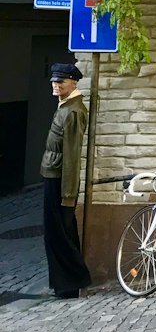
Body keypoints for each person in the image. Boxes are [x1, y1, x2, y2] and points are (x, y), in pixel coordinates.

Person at [40, 62, 92, 299]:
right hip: (53, 175)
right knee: (57, 234)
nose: (55, 84)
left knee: (60, 234)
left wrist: (68, 195)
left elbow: (71, 156)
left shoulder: (73, 111)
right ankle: (65, 284)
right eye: (54, 80)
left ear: (73, 82)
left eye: (60, 81)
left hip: (60, 180)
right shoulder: (65, 107)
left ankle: (70, 285)